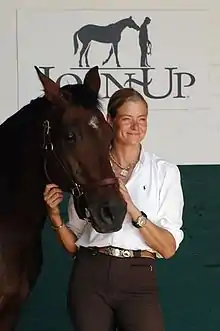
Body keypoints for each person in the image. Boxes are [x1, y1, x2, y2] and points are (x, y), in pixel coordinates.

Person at [44, 87, 184, 331]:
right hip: (90, 275)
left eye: (142, 119)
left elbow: (168, 248)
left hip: (138, 277)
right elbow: (73, 245)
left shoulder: (165, 172)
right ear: (110, 121)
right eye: (127, 119)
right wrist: (54, 215)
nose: (136, 127)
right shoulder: (90, 170)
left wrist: (132, 209)